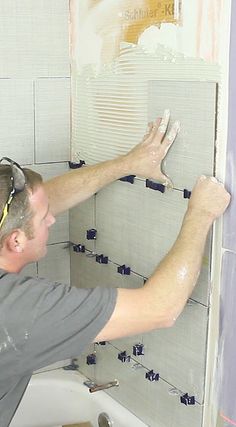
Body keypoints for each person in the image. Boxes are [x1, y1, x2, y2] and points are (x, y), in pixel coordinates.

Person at [0, 112, 230, 427]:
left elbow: (41, 201)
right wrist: (201, 213)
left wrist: (128, 163)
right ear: (15, 241)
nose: (52, 219)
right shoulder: (18, 311)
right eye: (44, 219)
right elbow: (160, 309)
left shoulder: (11, 231)